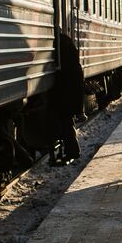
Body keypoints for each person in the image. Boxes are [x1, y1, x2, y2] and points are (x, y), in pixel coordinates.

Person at [49, 30, 85, 165]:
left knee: (66, 121)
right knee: (66, 121)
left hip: (63, 89)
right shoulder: (66, 42)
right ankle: (70, 150)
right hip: (67, 89)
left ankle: (72, 151)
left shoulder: (61, 42)